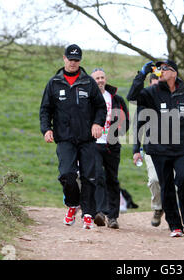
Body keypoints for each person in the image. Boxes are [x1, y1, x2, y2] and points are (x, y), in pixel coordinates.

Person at [127, 59, 184, 237]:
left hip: (182, 148)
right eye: (159, 69)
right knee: (165, 186)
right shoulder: (152, 92)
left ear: (174, 73)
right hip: (159, 149)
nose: (161, 71)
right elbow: (132, 97)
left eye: (165, 68)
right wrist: (141, 75)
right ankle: (174, 225)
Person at [39, 44, 107, 229]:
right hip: (65, 138)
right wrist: (46, 129)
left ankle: (87, 214)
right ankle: (72, 204)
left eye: (76, 60)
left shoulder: (88, 82)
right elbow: (45, 109)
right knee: (67, 175)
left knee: (89, 177)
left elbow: (101, 107)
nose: (73, 63)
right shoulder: (54, 83)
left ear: (80, 61)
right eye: (70, 59)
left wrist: (97, 123)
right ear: (64, 58)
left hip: (87, 139)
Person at [90, 67, 129, 229]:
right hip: (93, 144)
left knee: (112, 179)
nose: (100, 80)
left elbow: (126, 120)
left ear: (105, 79)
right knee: (98, 176)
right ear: (92, 81)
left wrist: (117, 132)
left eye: (102, 78)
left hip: (112, 145)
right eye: (97, 78)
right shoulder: (88, 99)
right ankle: (99, 212)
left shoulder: (116, 99)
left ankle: (113, 217)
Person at [130, 71, 164, 227]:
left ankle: (174, 213)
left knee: (176, 182)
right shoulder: (144, 102)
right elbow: (137, 128)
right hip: (151, 148)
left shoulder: (171, 99)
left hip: (174, 149)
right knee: (155, 179)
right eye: (154, 85)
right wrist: (136, 150)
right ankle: (158, 208)